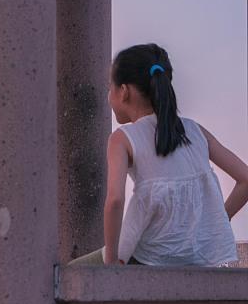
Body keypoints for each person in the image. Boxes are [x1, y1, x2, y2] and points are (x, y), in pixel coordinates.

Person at [72, 43, 248, 267]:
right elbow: (245, 179)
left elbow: (115, 199)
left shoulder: (123, 138)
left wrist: (112, 261)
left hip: (147, 256)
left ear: (124, 91)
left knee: (72, 273)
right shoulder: (195, 131)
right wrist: (220, 219)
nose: (108, 96)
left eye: (110, 87)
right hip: (196, 258)